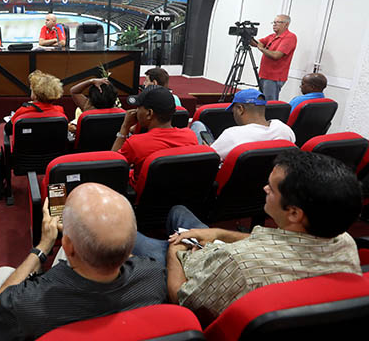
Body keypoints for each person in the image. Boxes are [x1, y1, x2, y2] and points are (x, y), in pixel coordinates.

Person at [132, 150, 362, 325]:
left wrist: (176, 252)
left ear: (293, 213)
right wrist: (220, 233)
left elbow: (182, 300)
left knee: (131, 236)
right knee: (179, 211)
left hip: (186, 269)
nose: (264, 189)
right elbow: (272, 242)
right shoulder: (344, 241)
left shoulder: (239, 264)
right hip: (217, 259)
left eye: (271, 188)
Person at [0, 183, 168, 340]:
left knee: (0, 275)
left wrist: (43, 246)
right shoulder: (155, 275)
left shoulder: (25, 304)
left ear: (67, 245)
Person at [112, 86, 198, 187]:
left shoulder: (135, 143)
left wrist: (125, 127)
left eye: (138, 107)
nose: (136, 111)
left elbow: (112, 167)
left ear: (149, 113)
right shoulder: (190, 136)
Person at [190, 89, 295, 160]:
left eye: (233, 109)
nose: (233, 113)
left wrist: (206, 148)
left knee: (197, 125)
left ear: (240, 109)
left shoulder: (232, 135)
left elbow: (211, 157)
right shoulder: (284, 129)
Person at [4, 70, 65, 136]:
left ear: (35, 95)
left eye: (32, 90)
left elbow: (8, 130)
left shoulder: (23, 110)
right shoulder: (59, 110)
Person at [251, 14, 297, 101]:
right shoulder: (272, 36)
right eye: (274, 22)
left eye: (278, 22)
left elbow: (276, 55)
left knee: (269, 103)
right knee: (261, 101)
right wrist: (248, 37)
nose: (274, 24)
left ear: (286, 24)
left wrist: (261, 48)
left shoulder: (290, 37)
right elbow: (257, 43)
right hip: (264, 74)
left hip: (274, 77)